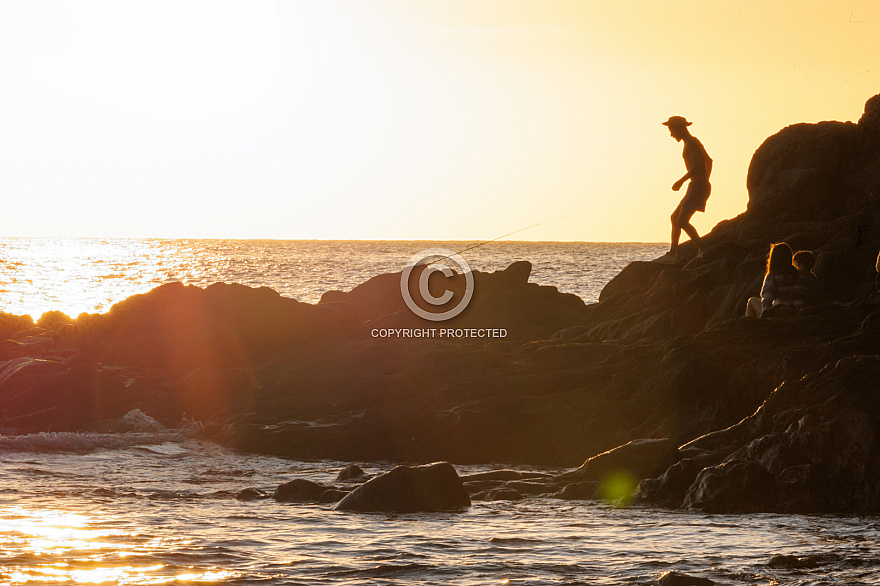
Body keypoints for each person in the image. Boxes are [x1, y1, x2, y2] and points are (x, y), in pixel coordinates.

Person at [656, 116, 713, 264]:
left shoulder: (692, 143)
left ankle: (703, 250)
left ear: (679, 128)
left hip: (697, 186)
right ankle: (673, 254)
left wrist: (681, 181)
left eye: (672, 130)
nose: (671, 135)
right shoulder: (691, 142)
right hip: (697, 184)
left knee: (682, 220)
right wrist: (706, 180)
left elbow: (697, 166)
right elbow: (709, 161)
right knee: (675, 218)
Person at [745, 242, 799, 317]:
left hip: (777, 313)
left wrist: (764, 315)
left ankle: (749, 326)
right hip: (793, 312)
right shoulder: (798, 274)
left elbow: (767, 298)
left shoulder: (773, 276)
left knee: (752, 301)